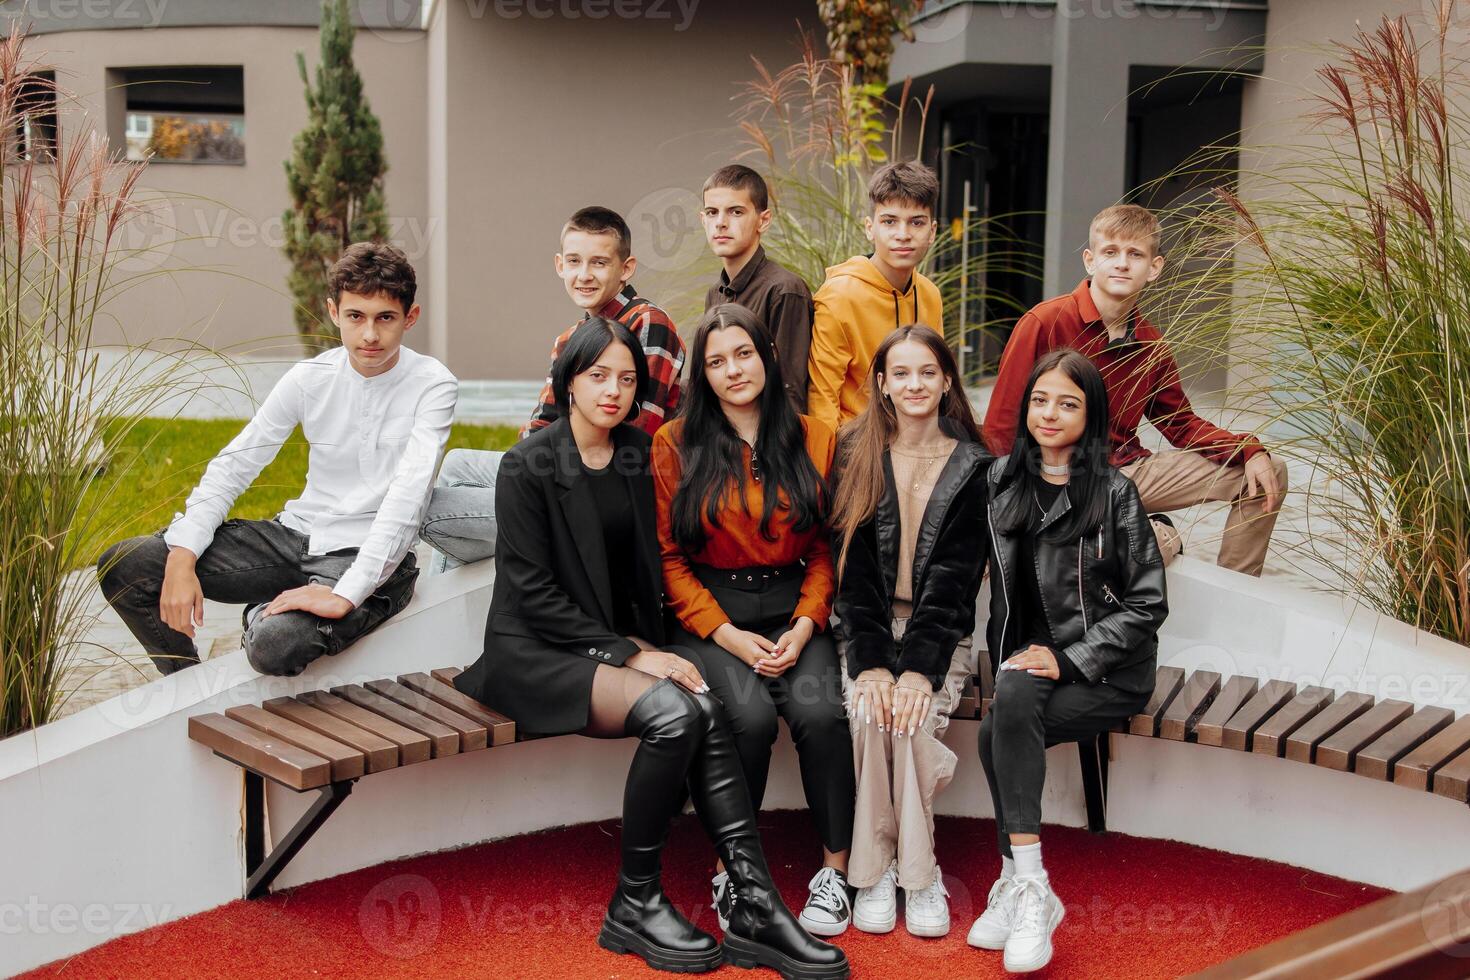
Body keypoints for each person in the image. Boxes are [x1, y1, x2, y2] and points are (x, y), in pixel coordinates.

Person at [453, 318, 848, 979]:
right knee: (679, 712)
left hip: (613, 644)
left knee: (702, 697)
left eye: (627, 378)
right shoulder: (529, 463)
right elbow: (530, 595)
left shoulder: (639, 451)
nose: (613, 390)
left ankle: (754, 903)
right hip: (535, 652)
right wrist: (634, 652)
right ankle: (634, 901)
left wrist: (658, 643)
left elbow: (657, 558)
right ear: (568, 381)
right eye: (597, 375)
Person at [96, 243, 456, 677]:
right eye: (355, 316)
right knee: (127, 565)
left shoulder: (433, 385)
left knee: (274, 644)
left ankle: (263, 617)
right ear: (333, 312)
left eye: (386, 318)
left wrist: (346, 593)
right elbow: (237, 463)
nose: (369, 336)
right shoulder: (309, 379)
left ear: (409, 318)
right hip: (293, 539)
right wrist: (183, 552)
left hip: (364, 556)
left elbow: (410, 494)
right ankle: (186, 685)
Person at [653, 304, 854, 938]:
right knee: (750, 718)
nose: (733, 370)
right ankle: (733, 872)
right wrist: (726, 635)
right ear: (702, 375)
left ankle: (835, 874)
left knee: (822, 715)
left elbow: (824, 547)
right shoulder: (673, 443)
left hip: (796, 606)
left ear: (767, 355)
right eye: (716, 361)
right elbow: (668, 557)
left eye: (744, 354)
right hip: (714, 613)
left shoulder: (817, 436)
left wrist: (806, 624)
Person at [972, 349, 1168, 973]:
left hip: (1111, 674)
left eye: (1068, 403)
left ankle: (1021, 884)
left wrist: (1072, 658)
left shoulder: (1115, 493)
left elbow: (1146, 605)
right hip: (1027, 667)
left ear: (1092, 415)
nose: (1049, 413)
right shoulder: (1001, 480)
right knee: (1010, 705)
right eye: (1040, 400)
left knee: (1000, 724)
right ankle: (1028, 887)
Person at [982, 203, 1287, 576]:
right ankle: (1147, 534)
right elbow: (1000, 424)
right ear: (1090, 261)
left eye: (1135, 254)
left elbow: (1181, 424)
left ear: (1154, 268)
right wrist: (1007, 507)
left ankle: (1235, 593)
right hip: (1056, 478)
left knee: (1267, 470)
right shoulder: (1045, 322)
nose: (1122, 264)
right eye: (1110, 252)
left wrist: (1248, 449)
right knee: (1145, 548)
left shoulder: (1151, 345)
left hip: (1126, 473)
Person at [829, 325, 989, 939]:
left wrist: (919, 670)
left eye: (927, 372)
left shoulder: (976, 466)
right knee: (872, 712)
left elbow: (954, 580)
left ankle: (917, 877)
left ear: (947, 379)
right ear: (882, 383)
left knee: (910, 719)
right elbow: (854, 570)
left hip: (939, 634)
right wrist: (870, 662)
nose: (914, 384)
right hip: (867, 628)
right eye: (901, 373)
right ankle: (874, 874)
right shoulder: (855, 450)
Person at [418, 206, 685, 573]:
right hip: (558, 472)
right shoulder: (569, 340)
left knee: (429, 508)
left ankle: (515, 572)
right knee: (457, 463)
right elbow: (539, 427)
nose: (584, 275)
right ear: (559, 264)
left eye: (599, 263)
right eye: (574, 261)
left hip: (609, 492)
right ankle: (500, 579)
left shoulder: (648, 322)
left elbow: (638, 433)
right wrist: (525, 479)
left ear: (626, 268)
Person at [806, 161, 944, 431]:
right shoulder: (839, 295)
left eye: (916, 222)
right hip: (855, 449)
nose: (902, 235)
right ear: (870, 228)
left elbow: (937, 377)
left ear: (932, 231)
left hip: (916, 443)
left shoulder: (929, 293)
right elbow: (822, 398)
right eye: (889, 221)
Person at [700, 164, 814, 412]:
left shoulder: (784, 290)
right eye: (711, 212)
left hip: (771, 439)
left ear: (763, 220)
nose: (720, 223)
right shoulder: (714, 293)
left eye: (736, 212)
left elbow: (790, 388)